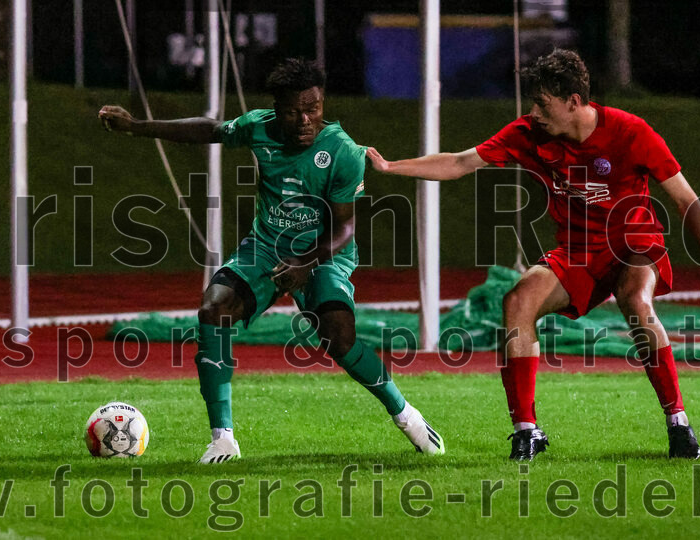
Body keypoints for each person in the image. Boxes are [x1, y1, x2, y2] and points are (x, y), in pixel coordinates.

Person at [366, 48, 700, 460]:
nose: (534, 111)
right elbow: (458, 162)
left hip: (635, 245)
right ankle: (527, 430)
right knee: (517, 301)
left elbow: (687, 201)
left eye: (543, 103)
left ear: (574, 101)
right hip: (578, 251)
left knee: (635, 300)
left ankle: (678, 422)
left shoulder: (631, 132)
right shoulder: (530, 133)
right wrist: (391, 168)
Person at [99, 58, 444, 463]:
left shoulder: (343, 152)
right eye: (292, 111)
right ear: (276, 108)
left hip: (324, 254)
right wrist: (138, 127)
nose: (304, 120)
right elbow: (209, 129)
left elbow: (342, 229)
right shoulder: (258, 127)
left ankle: (405, 415)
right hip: (265, 247)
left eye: (312, 108)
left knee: (339, 337)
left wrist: (304, 266)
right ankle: (223, 437)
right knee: (214, 310)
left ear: (322, 102)